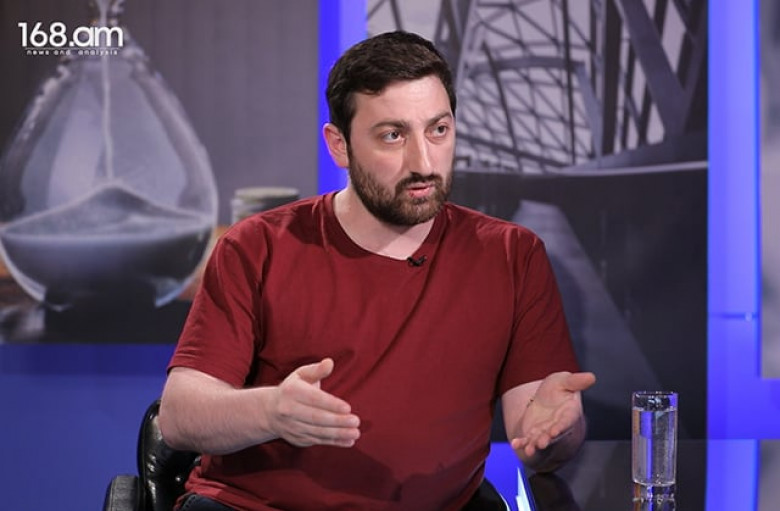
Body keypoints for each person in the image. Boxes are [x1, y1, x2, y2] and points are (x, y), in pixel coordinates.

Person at [159, 30, 596, 511]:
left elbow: (536, 436)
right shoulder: (257, 246)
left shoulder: (512, 255)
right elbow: (180, 417)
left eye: (438, 130)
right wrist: (271, 411)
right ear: (339, 145)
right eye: (393, 135)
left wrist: (557, 432)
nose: (423, 162)